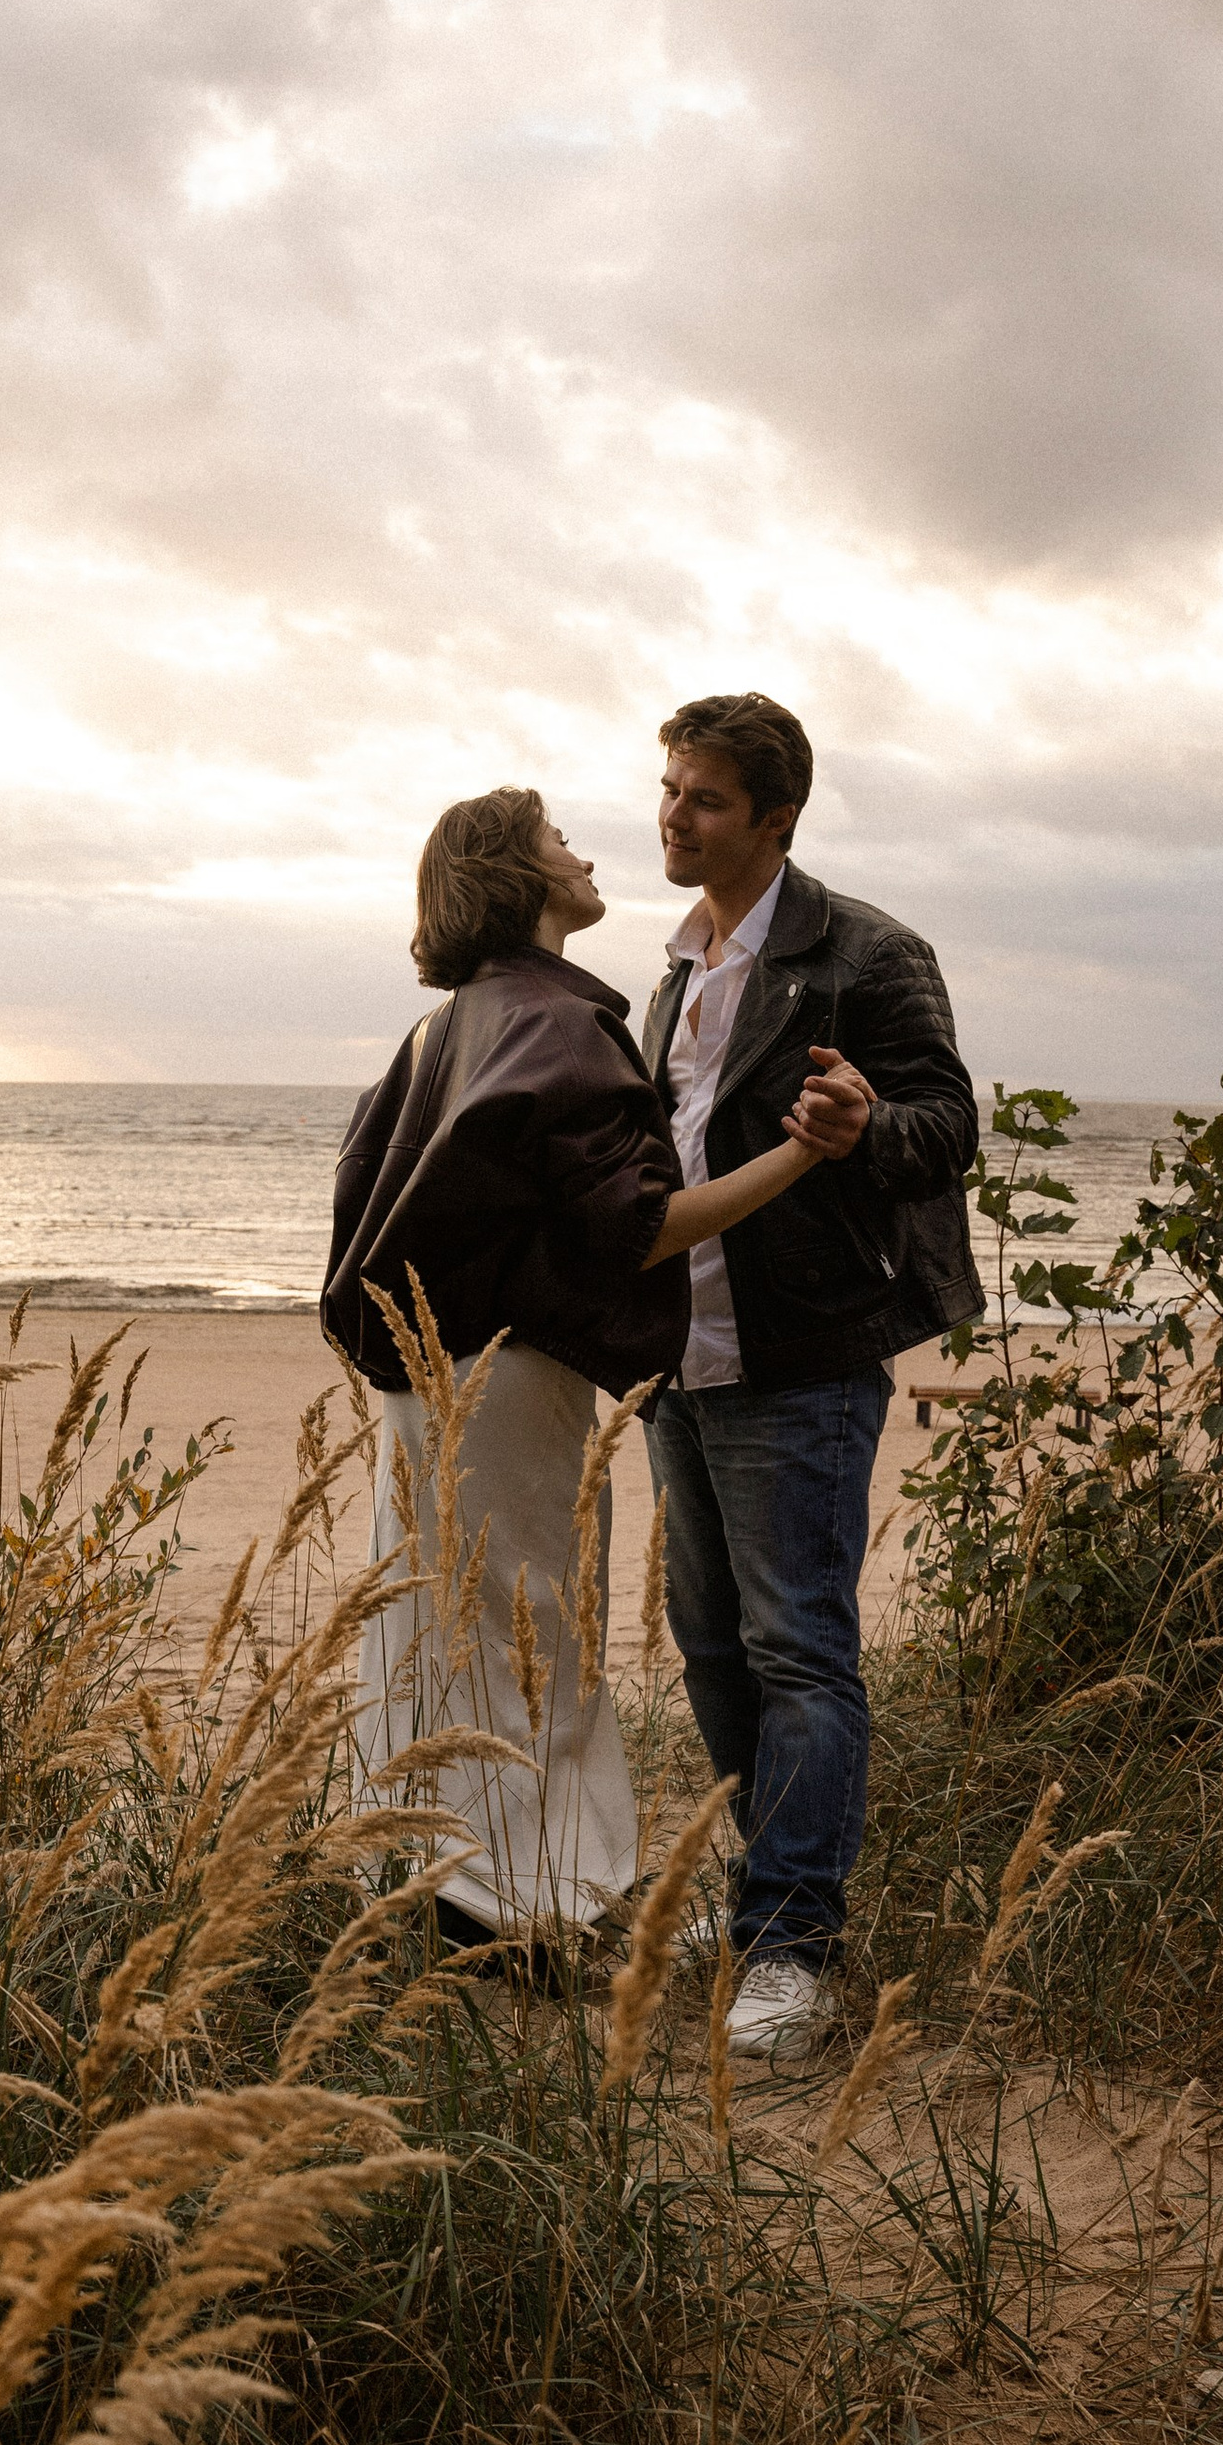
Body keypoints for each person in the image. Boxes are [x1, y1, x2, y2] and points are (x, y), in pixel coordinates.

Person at [322, 786, 872, 1969]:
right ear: (520, 881)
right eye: (555, 840)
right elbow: (642, 1225)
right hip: (513, 1377)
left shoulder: (444, 1026)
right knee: (535, 1631)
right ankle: (530, 1908)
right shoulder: (558, 1023)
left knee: (436, 1625)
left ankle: (441, 1884)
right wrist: (799, 1152)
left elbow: (362, 1203)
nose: (581, 850)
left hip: (423, 1378)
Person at [642, 693, 980, 2063]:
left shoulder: (866, 952)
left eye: (705, 798)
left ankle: (793, 1948)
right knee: (713, 1648)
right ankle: (759, 1899)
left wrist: (863, 1128)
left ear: (776, 818)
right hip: (686, 1358)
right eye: (668, 788)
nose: (673, 814)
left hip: (806, 1353)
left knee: (800, 1648)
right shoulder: (670, 968)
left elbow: (946, 1121)